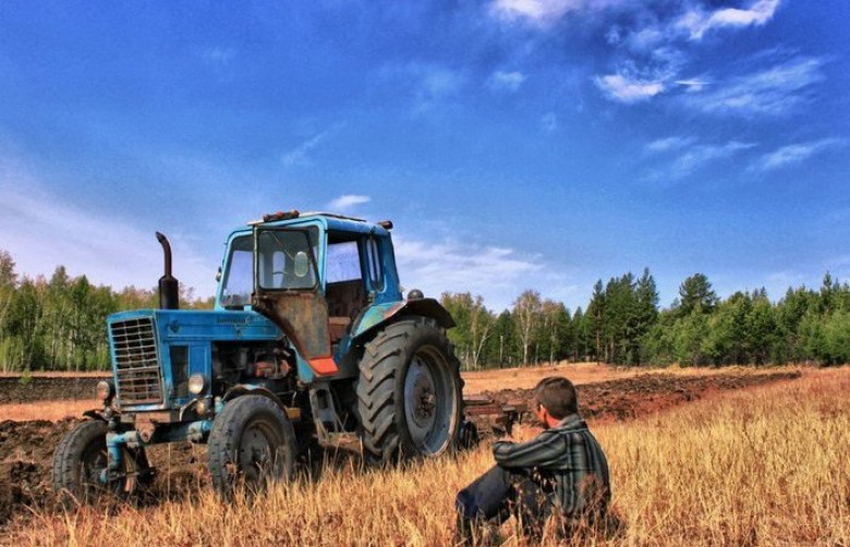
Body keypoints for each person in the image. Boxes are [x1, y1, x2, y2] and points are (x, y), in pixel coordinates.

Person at [456, 376, 610, 543]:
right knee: (530, 472)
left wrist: (502, 443)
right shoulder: (586, 435)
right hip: (591, 528)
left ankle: (467, 511)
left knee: (510, 472)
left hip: (565, 532)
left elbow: (506, 455)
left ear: (543, 409)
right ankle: (490, 524)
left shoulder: (561, 438)